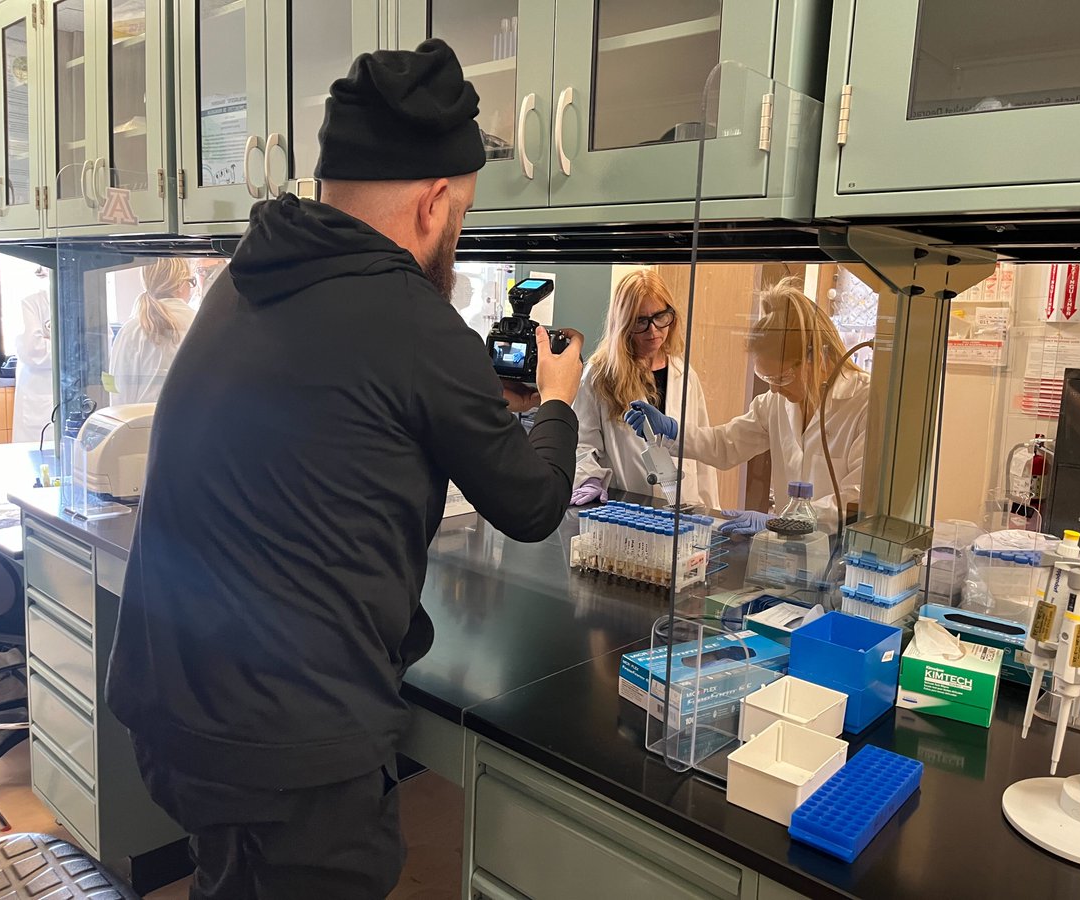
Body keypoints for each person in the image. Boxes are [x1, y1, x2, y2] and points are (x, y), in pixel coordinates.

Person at [105, 40, 584, 900]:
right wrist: (556, 400)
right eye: (466, 214)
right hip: (282, 745)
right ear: (435, 202)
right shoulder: (410, 317)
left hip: (175, 711)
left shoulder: (249, 276)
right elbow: (535, 501)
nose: (458, 234)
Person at [626, 276, 869, 534]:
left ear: (817, 357)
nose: (774, 388)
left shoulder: (864, 403)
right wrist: (674, 432)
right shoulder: (775, 403)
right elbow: (725, 445)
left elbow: (855, 499)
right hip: (787, 545)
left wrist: (782, 521)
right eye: (767, 378)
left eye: (782, 377)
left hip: (838, 547)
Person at [571, 269, 718, 509]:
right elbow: (582, 445)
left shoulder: (684, 374)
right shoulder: (600, 375)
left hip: (681, 511)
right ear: (624, 324)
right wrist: (589, 480)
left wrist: (710, 513)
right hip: (625, 508)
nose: (653, 330)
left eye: (660, 317)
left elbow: (702, 453)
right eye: (641, 321)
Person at [109, 258, 197, 404]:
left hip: (141, 425)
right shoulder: (201, 325)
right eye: (190, 281)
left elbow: (118, 394)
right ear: (180, 284)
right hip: (191, 424)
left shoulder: (131, 330)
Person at [11, 267, 53, 441]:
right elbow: (34, 351)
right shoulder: (30, 301)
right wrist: (72, 344)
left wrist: (50, 339)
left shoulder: (90, 298)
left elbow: (100, 345)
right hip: (38, 401)